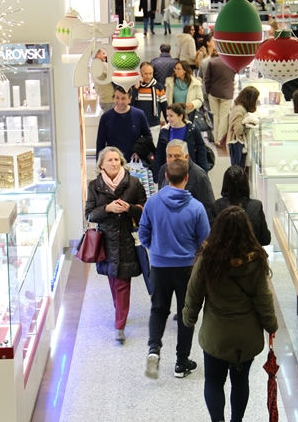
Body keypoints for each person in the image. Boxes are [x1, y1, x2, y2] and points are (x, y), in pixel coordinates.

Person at [183, 206, 277, 422]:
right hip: (247, 338)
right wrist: (271, 325)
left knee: (214, 381)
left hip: (216, 336)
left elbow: (193, 293)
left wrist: (189, 318)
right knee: (241, 381)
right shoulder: (255, 261)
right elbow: (264, 300)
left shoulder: (208, 259)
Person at [140, 159, 210, 380]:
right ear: (187, 179)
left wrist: (156, 248)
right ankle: (181, 362)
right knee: (185, 314)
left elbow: (143, 232)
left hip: (159, 266)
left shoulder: (152, 203)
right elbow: (205, 241)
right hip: (186, 269)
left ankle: (153, 350)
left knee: (158, 309)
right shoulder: (196, 208)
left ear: (166, 178)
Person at [85, 147, 148, 343]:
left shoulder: (134, 183)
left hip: (127, 240)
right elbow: (90, 214)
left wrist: (129, 208)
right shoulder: (94, 186)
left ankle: (119, 325)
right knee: (113, 280)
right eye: (110, 160)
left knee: (122, 282)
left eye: (117, 159)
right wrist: (107, 208)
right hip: (106, 241)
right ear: (101, 165)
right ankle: (120, 313)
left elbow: (144, 210)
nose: (114, 163)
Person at [157, 140, 215, 225]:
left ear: (186, 157)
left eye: (177, 156)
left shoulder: (199, 176)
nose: (173, 160)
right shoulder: (163, 170)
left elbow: (208, 210)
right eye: (169, 156)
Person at [210, 166, 271, 246]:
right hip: (251, 257)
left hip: (223, 257)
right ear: (245, 183)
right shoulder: (257, 206)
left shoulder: (216, 207)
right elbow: (265, 239)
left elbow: (212, 239)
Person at [96, 87, 152, 162]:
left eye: (123, 98)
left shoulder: (139, 114)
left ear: (130, 99)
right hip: (113, 163)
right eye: (117, 98)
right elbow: (100, 144)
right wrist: (99, 166)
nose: (120, 101)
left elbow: (148, 137)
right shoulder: (106, 117)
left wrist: (139, 151)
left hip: (134, 163)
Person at [155, 103, 208, 180]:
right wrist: (157, 174)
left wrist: (204, 171)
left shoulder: (193, 130)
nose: (168, 119)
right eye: (167, 115)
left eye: (171, 116)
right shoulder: (164, 131)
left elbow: (201, 151)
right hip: (170, 171)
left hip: (188, 171)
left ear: (180, 116)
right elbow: (159, 153)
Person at [204, 46, 236, 147]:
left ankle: (215, 137)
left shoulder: (212, 62)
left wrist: (208, 91)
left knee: (215, 116)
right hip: (227, 93)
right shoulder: (232, 63)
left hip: (214, 92)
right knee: (223, 117)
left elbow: (207, 79)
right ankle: (220, 139)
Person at [131, 61, 167, 143]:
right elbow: (130, 104)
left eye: (150, 73)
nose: (148, 76)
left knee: (153, 151)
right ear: (141, 73)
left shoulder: (158, 86)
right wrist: (136, 88)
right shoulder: (134, 87)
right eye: (145, 74)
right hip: (138, 125)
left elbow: (164, 107)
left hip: (154, 125)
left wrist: (170, 124)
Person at [227, 86, 260, 168]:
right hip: (238, 145)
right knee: (240, 168)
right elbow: (238, 130)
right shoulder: (239, 110)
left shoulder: (240, 108)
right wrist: (249, 125)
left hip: (240, 144)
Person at [93, 48, 116, 112]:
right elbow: (115, 75)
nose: (105, 55)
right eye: (103, 53)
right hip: (109, 101)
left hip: (103, 100)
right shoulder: (102, 65)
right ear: (97, 55)